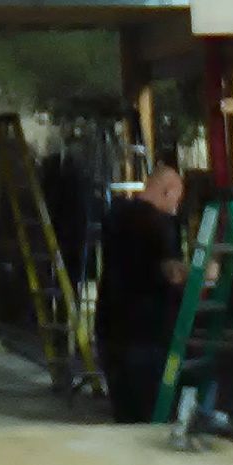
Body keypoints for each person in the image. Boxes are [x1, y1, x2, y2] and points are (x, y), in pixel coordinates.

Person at [95, 165, 186, 423]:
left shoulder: (115, 215)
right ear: (167, 192)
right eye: (176, 200)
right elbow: (171, 272)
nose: (175, 207)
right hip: (147, 333)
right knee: (151, 418)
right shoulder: (159, 224)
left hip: (111, 328)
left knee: (124, 418)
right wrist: (203, 271)